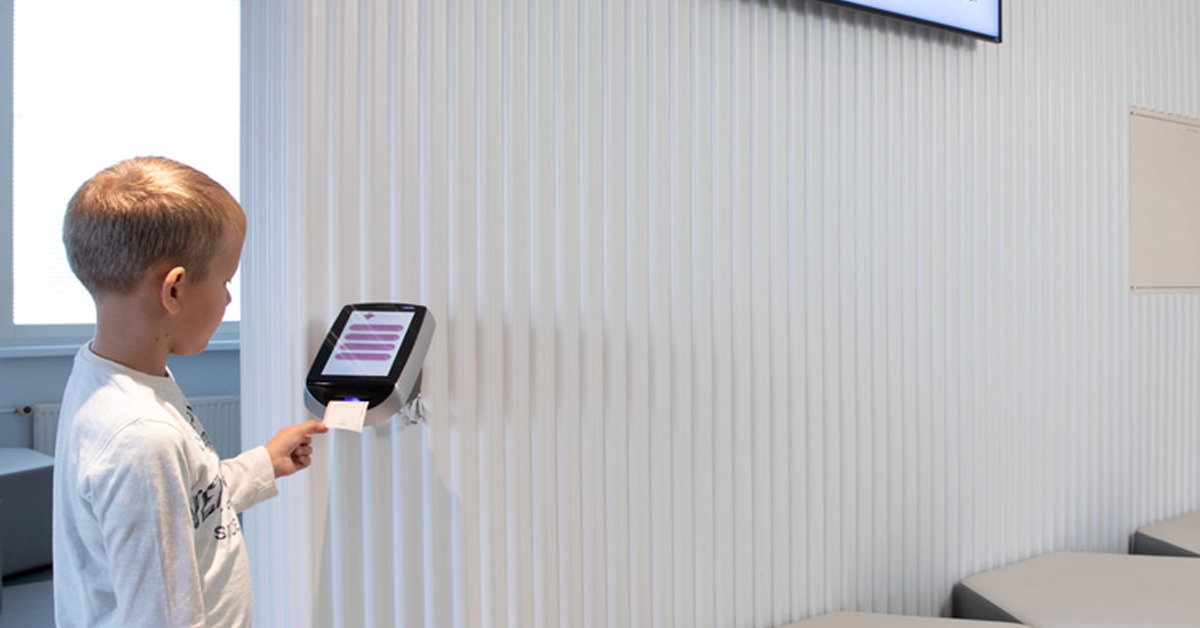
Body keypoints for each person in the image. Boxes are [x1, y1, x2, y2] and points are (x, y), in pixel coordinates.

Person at [52, 156, 328, 627]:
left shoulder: (114, 378)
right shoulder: (142, 437)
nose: (227, 298)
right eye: (225, 280)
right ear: (174, 290)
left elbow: (184, 502)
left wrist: (265, 463)